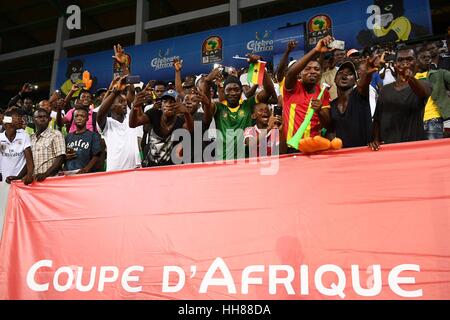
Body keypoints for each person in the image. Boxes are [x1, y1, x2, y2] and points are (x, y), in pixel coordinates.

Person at [201, 54, 275, 160]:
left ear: (241, 91)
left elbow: (268, 91)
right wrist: (207, 81)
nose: (233, 93)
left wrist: (260, 67)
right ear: (224, 92)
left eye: (236, 89)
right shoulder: (218, 107)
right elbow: (206, 104)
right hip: (223, 160)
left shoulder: (248, 105)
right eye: (229, 90)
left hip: (246, 160)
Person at [369, 47, 431, 150]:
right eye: (400, 60)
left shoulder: (424, 84)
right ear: (394, 65)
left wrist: (410, 78)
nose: (405, 63)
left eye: (409, 59)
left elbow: (423, 92)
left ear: (416, 62)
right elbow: (377, 119)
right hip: (389, 148)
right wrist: (376, 139)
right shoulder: (384, 90)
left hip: (415, 147)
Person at [283, 36, 333, 149]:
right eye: (307, 68)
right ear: (300, 73)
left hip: (313, 148)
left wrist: (320, 111)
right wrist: (316, 50)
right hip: (291, 148)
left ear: (320, 74)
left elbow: (328, 125)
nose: (312, 72)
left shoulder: (323, 93)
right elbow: (290, 73)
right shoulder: (292, 88)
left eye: (316, 69)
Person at [129, 87, 193, 167]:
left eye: (172, 102)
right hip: (150, 167)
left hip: (172, 168)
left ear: (178, 105)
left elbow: (190, 129)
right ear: (161, 104)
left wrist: (186, 113)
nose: (168, 104)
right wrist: (134, 107)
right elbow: (133, 124)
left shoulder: (181, 121)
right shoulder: (154, 113)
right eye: (165, 101)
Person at [96, 76, 142, 171]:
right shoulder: (107, 124)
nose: (125, 103)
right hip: (115, 171)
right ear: (111, 106)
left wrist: (124, 66)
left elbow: (132, 91)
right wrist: (114, 91)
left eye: (125, 101)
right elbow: (101, 113)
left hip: (135, 169)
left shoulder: (130, 119)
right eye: (121, 102)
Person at [329, 59, 376, 148]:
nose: (345, 75)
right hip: (342, 156)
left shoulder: (360, 94)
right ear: (335, 80)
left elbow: (363, 85)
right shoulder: (332, 105)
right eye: (341, 72)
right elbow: (331, 131)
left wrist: (367, 75)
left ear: (355, 81)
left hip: (364, 153)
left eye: (350, 74)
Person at [415, 47, 450, 140]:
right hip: (416, 123)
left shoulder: (439, 74)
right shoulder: (410, 79)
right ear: (416, 61)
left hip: (434, 119)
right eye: (423, 57)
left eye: (429, 57)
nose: (427, 59)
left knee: (436, 153)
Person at [30, 108, 66, 182]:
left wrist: (45, 174)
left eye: (45, 117)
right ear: (33, 120)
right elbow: (29, 160)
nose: (43, 119)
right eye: (39, 117)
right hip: (35, 180)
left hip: (52, 179)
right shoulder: (31, 138)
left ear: (49, 119)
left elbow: (61, 157)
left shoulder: (56, 134)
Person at [0, 109, 34, 185]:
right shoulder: (0, 138)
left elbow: (29, 161)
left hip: (20, 179)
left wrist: (29, 175)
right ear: (9, 121)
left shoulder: (24, 136)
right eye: (18, 118)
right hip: (4, 179)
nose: (21, 121)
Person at [64, 107, 102, 174]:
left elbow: (96, 156)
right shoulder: (68, 137)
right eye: (76, 116)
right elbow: (62, 156)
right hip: (68, 173)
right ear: (73, 119)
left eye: (82, 116)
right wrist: (65, 157)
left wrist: (86, 169)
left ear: (87, 118)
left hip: (85, 174)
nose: (79, 118)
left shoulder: (93, 136)